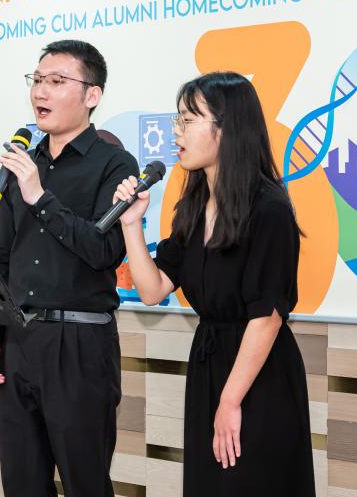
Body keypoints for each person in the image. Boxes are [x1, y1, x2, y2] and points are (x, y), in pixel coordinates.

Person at [113, 72, 314, 496]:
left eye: (188, 120)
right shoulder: (192, 205)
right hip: (209, 369)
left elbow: (266, 319)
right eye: (177, 121)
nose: (176, 132)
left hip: (257, 377)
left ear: (228, 128)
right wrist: (131, 224)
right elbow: (152, 291)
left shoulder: (269, 208)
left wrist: (231, 400)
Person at [0, 39, 139, 497]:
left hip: (80, 344)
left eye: (57, 81)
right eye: (37, 80)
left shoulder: (114, 164)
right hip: (18, 340)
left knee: (85, 482)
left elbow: (104, 251)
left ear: (92, 95)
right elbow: (0, 258)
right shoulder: (22, 163)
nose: (41, 92)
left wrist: (39, 197)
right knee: (22, 484)